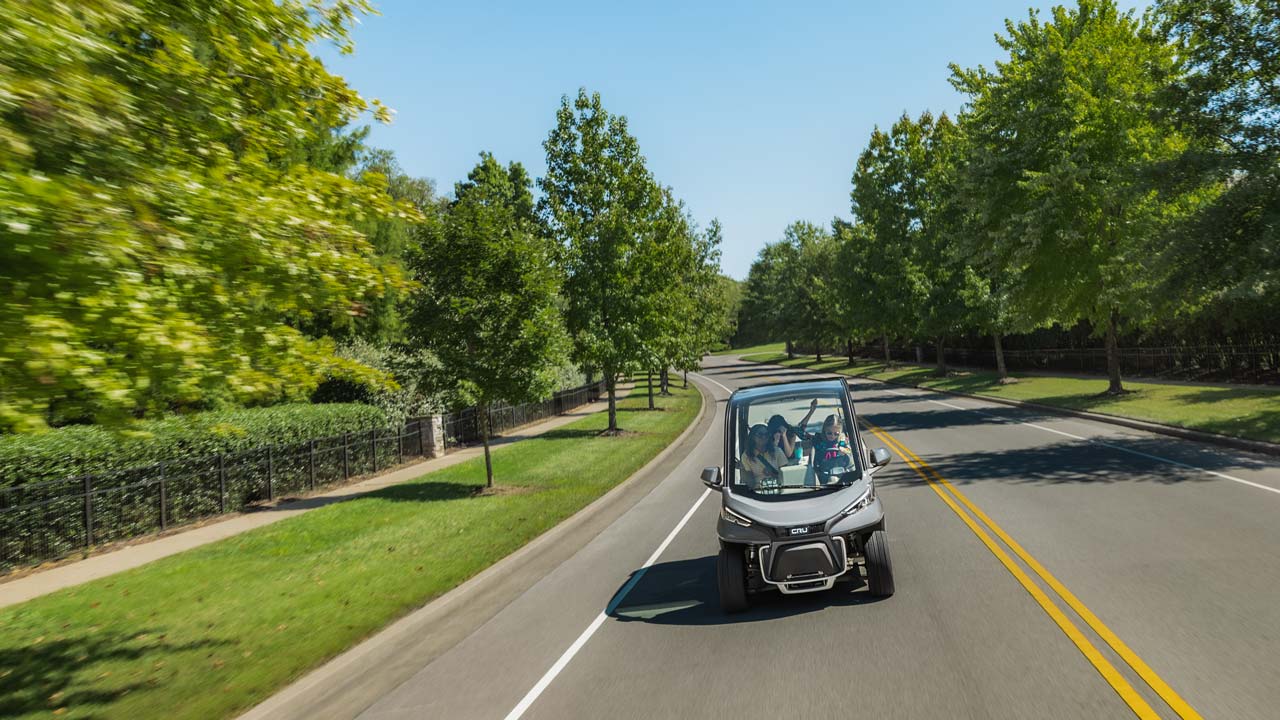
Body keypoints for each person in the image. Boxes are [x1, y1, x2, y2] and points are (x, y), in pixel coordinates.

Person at [739, 423, 788, 490]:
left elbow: (786, 474)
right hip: (758, 492)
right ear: (753, 437)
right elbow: (749, 482)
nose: (764, 437)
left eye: (766, 434)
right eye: (760, 435)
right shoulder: (746, 456)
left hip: (777, 489)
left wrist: (773, 473)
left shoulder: (777, 451)